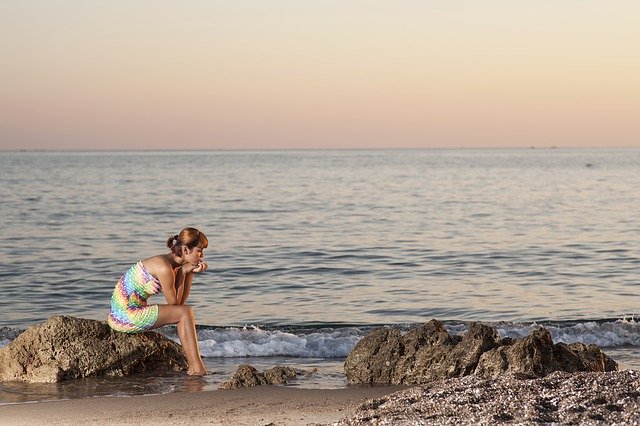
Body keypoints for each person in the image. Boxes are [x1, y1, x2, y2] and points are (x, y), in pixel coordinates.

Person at [107, 227, 209, 375]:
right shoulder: (164, 267)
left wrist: (188, 272)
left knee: (185, 312)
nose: (202, 255)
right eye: (199, 251)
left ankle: (195, 368)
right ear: (186, 250)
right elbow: (175, 305)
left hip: (130, 312)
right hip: (124, 315)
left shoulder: (174, 266)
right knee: (185, 312)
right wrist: (184, 271)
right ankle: (197, 368)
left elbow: (179, 304)